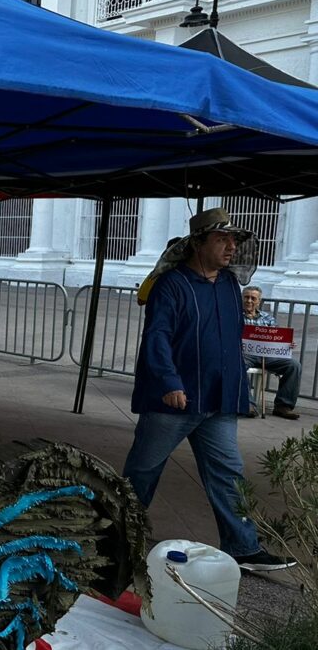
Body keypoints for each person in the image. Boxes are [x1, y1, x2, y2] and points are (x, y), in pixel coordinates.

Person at [123, 208, 296, 572]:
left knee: (228, 474)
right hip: (175, 401)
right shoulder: (172, 285)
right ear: (198, 244)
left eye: (233, 240)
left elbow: (231, 340)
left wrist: (238, 388)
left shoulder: (230, 285)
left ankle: (243, 546)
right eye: (222, 239)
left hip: (218, 400)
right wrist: (169, 382)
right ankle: (117, 535)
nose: (231, 247)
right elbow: (157, 337)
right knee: (143, 471)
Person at [241, 285, 302, 420]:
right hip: (244, 354)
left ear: (259, 301)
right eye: (246, 297)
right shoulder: (235, 316)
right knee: (237, 364)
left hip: (268, 355)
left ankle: (283, 406)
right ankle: (247, 404)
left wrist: (287, 344)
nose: (249, 301)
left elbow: (277, 337)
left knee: (294, 365)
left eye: (253, 298)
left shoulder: (268, 318)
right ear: (242, 299)